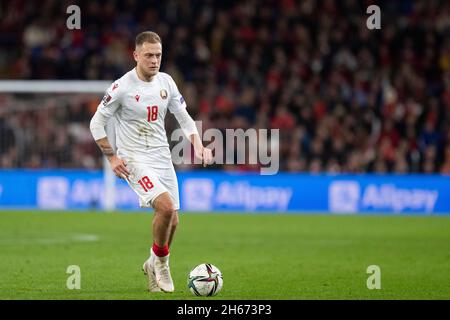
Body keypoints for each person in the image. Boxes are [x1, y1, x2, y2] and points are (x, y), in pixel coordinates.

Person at [89, 31, 213, 293]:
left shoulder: (167, 82)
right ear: (135, 55)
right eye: (148, 55)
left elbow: (184, 116)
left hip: (161, 157)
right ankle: (163, 263)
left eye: (158, 55)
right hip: (134, 159)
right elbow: (96, 122)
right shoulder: (122, 87)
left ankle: (151, 261)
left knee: (173, 220)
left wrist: (198, 145)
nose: (154, 60)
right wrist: (112, 157)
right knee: (166, 208)